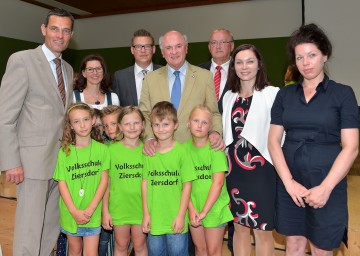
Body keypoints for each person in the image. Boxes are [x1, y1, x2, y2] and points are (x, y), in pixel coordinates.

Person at [268, 23, 359, 256]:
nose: (306, 63)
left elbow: (351, 147)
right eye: (300, 57)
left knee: (321, 248)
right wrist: (289, 184)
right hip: (291, 184)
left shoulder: (343, 94)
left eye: (312, 55)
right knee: (294, 243)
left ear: (325, 56)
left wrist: (325, 188)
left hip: (327, 182)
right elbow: (273, 142)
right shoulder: (285, 94)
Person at [0, 8, 74, 256]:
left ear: (71, 35)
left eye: (65, 30)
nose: (59, 35)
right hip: (31, 164)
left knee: (50, 228)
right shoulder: (22, 60)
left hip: (59, 162)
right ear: (44, 29)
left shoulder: (68, 69)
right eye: (54, 28)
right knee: (29, 229)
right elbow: (5, 116)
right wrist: (12, 162)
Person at [223, 44, 279, 256]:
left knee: (263, 230)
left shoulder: (272, 94)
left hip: (262, 171)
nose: (244, 66)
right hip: (233, 172)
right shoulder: (228, 96)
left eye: (250, 61)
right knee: (239, 228)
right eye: (239, 62)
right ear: (233, 66)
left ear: (259, 65)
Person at [139, 30, 224, 156]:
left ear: (186, 48)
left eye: (178, 46)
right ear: (162, 52)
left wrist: (215, 132)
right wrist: (150, 138)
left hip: (196, 151)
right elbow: (144, 114)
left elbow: (213, 113)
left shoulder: (205, 77)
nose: (174, 52)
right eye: (168, 48)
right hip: (160, 151)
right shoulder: (150, 79)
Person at [53, 103, 109, 256]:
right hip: (71, 212)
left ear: (93, 120)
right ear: (70, 125)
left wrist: (91, 209)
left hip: (93, 212)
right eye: (76, 121)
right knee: (75, 250)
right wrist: (73, 211)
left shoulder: (102, 150)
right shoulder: (64, 152)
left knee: (91, 253)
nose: (82, 125)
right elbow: (62, 184)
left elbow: (104, 181)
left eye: (85, 119)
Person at [142, 101, 196, 255]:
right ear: (151, 126)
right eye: (156, 125)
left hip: (175, 219)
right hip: (155, 220)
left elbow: (187, 186)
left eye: (165, 124)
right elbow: (145, 183)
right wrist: (146, 214)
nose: (161, 129)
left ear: (176, 125)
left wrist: (180, 216)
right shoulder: (149, 153)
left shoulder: (182, 152)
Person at [185, 105, 233, 256]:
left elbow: (218, 183)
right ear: (188, 123)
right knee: (200, 249)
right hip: (193, 206)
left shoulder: (215, 150)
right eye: (195, 121)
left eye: (204, 122)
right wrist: (191, 208)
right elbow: (183, 184)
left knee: (213, 251)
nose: (199, 125)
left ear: (210, 127)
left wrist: (205, 211)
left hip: (213, 208)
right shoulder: (182, 150)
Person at [102, 106, 148, 256]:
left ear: (143, 125)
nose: (132, 127)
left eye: (136, 123)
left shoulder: (148, 151)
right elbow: (105, 184)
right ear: (120, 127)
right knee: (121, 245)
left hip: (141, 208)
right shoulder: (110, 151)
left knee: (140, 245)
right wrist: (105, 211)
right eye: (127, 124)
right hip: (119, 207)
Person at [112, 29, 162, 106]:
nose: (143, 50)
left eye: (147, 46)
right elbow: (116, 109)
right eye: (138, 47)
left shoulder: (164, 73)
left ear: (154, 49)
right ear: (132, 50)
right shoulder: (120, 77)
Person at [199, 29, 234, 113]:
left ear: (232, 46)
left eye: (222, 42)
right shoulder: (197, 71)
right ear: (209, 47)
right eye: (214, 43)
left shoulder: (242, 71)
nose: (218, 46)